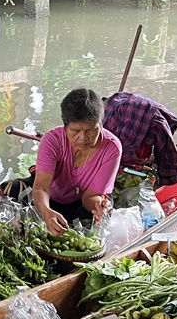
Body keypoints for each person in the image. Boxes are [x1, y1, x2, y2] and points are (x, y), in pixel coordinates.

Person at [32, 88, 122, 235]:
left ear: (101, 124)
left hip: (83, 202)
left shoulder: (111, 148)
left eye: (91, 130)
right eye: (75, 131)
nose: (83, 138)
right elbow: (41, 187)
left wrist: (98, 207)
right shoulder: (52, 141)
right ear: (65, 127)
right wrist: (46, 212)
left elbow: (90, 197)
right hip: (54, 198)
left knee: (92, 224)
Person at [103, 91, 177, 204]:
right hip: (121, 162)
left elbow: (168, 159)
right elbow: (169, 167)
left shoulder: (113, 105)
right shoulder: (154, 121)